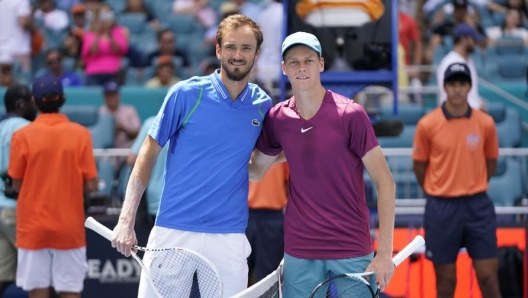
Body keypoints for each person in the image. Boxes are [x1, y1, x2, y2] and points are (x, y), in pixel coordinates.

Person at [111, 14, 272, 298]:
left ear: (257, 54)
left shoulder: (263, 105)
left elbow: (261, 161)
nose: (238, 55)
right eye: (231, 47)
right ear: (218, 50)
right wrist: (126, 220)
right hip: (173, 231)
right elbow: (147, 153)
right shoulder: (186, 94)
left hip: (229, 235)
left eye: (246, 48)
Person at [249, 32, 396, 298]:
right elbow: (256, 172)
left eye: (308, 60)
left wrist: (384, 254)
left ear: (321, 64)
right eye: (293, 62)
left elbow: (385, 183)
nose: (301, 67)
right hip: (300, 250)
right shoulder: (277, 118)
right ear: (283, 68)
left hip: (351, 247)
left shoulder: (351, 114)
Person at [413, 62, 501, 298]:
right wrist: (438, 189)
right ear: (444, 87)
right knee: (445, 282)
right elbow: (419, 166)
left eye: (462, 83)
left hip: (477, 205)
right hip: (442, 207)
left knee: (489, 279)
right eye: (452, 83)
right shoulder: (428, 124)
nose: (457, 89)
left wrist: (472, 183)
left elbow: (490, 162)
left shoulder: (485, 123)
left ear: (470, 87)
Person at [7, 76, 98, 298]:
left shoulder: (22, 135)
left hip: (32, 227)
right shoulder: (81, 134)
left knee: (38, 292)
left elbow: (17, 183)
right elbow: (92, 184)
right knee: (70, 291)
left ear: (34, 101)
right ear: (63, 99)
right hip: (69, 228)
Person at [0, 84, 37, 297]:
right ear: (21, 104)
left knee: (2, 276)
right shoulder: (26, 128)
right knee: (40, 273)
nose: (35, 106)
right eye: (31, 102)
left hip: (0, 208)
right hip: (17, 210)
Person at [246, 162, 288, 285]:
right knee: (238, 270)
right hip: (243, 216)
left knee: (268, 277)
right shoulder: (242, 144)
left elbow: (290, 181)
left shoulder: (282, 146)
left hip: (273, 217)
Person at [125, 116, 169, 226]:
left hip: (156, 198)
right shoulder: (195, 125)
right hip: (186, 201)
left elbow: (132, 159)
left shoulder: (151, 123)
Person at [437, 23, 486, 110]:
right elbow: (449, 96)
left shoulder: (469, 60)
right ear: (463, 39)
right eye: (473, 39)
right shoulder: (450, 62)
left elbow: (473, 93)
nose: (475, 43)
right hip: (455, 115)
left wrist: (479, 103)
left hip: (471, 114)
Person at [99, 80, 141, 148]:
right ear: (104, 96)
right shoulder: (100, 112)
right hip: (106, 152)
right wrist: (112, 131)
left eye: (113, 94)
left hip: (127, 151)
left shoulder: (130, 110)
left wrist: (124, 128)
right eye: (108, 95)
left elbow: (138, 134)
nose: (111, 97)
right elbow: (98, 138)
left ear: (119, 95)